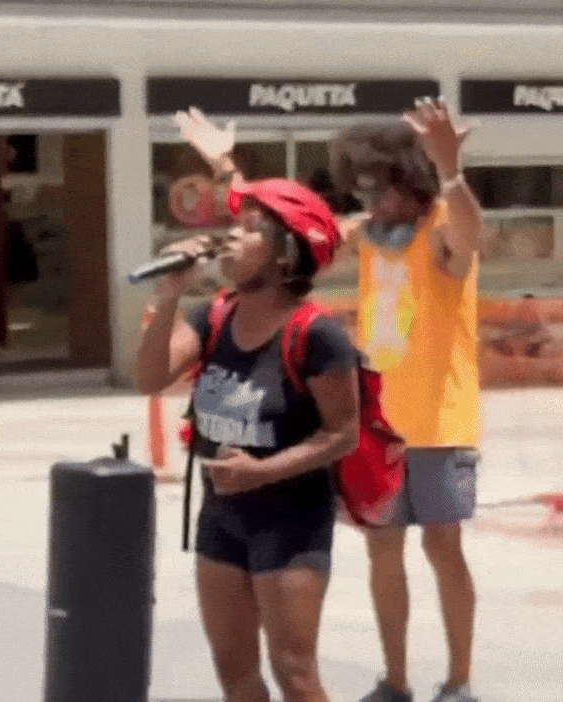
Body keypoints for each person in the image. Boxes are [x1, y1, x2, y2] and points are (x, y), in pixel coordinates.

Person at [136, 108, 359, 702]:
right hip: (221, 518)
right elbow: (149, 378)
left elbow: (343, 434)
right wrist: (170, 293)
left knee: (295, 671)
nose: (233, 234)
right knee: (234, 673)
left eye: (253, 228)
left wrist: (261, 471)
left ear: (287, 254)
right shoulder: (213, 316)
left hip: (291, 517)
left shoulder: (317, 334)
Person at [329, 98, 484, 702]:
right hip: (378, 425)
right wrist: (226, 169)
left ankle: (459, 682)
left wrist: (451, 169)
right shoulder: (372, 238)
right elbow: (300, 234)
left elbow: (470, 235)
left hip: (440, 422)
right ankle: (395, 681)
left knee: (443, 547)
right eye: (365, 190)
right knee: (382, 553)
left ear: (412, 182)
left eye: (384, 188)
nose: (374, 202)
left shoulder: (443, 225)